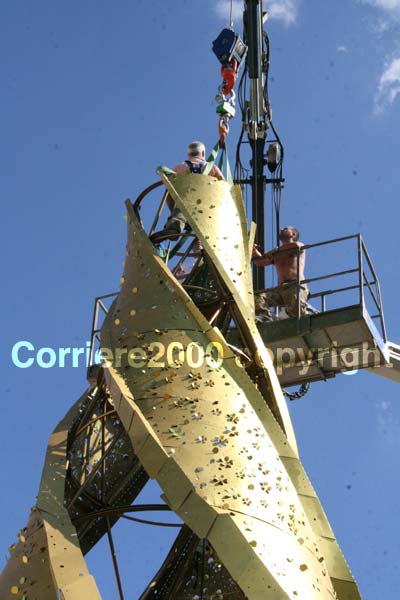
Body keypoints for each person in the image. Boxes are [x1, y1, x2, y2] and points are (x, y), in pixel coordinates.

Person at [151, 141, 224, 242]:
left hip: (184, 204)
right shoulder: (211, 167)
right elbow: (223, 186)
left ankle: (174, 228)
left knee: (178, 216)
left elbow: (169, 192)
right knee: (209, 232)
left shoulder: (179, 167)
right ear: (203, 153)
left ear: (189, 154)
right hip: (205, 209)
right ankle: (208, 249)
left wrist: (173, 209)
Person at [252, 226, 309, 320]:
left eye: (286, 229)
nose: (282, 229)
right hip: (281, 288)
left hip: (295, 285)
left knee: (297, 314)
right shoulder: (277, 254)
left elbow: (298, 246)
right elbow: (260, 262)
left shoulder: (297, 246)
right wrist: (254, 252)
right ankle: (266, 319)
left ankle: (302, 319)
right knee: (259, 297)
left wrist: (276, 250)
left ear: (293, 234)